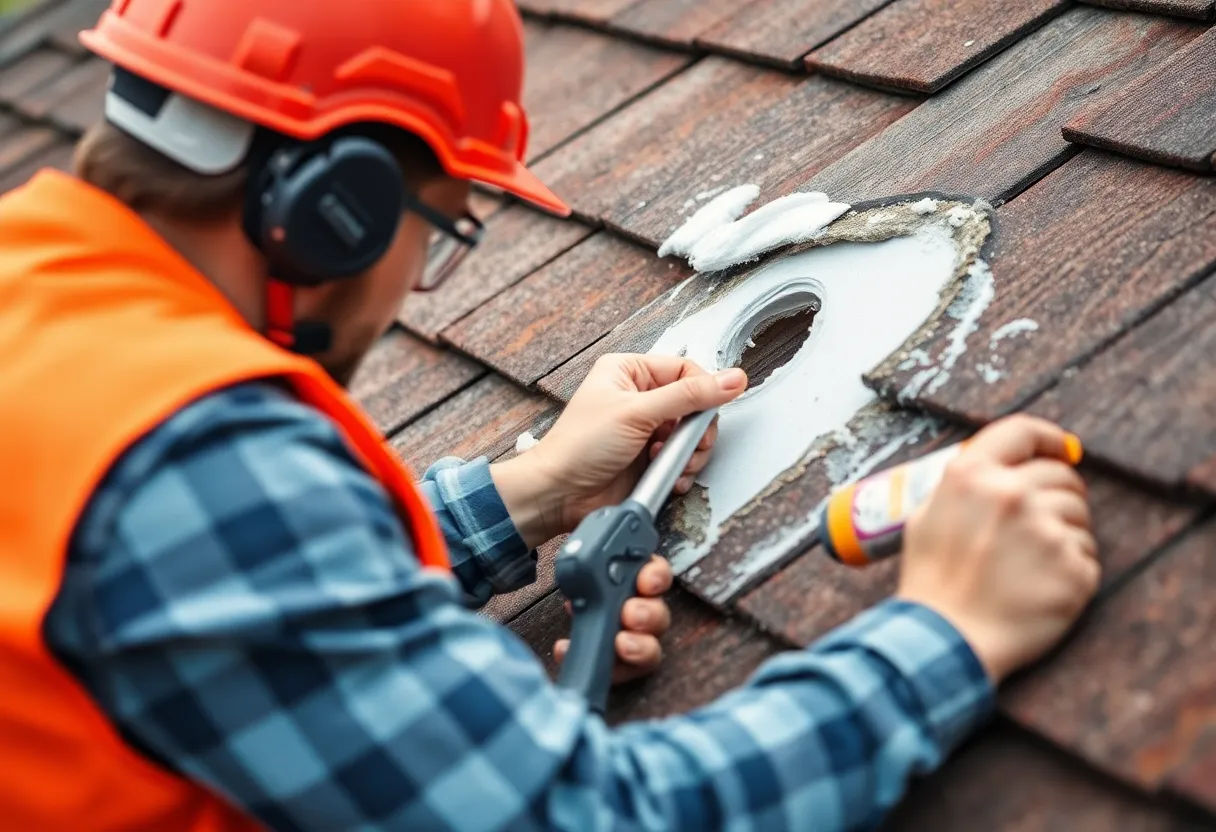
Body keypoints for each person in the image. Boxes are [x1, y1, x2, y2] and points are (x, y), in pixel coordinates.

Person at [0, 1, 1100, 830]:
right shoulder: (199, 453)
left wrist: (530, 492)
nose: (411, 287)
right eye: (439, 231)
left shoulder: (37, 285)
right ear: (339, 208)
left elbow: (212, 587)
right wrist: (946, 632)